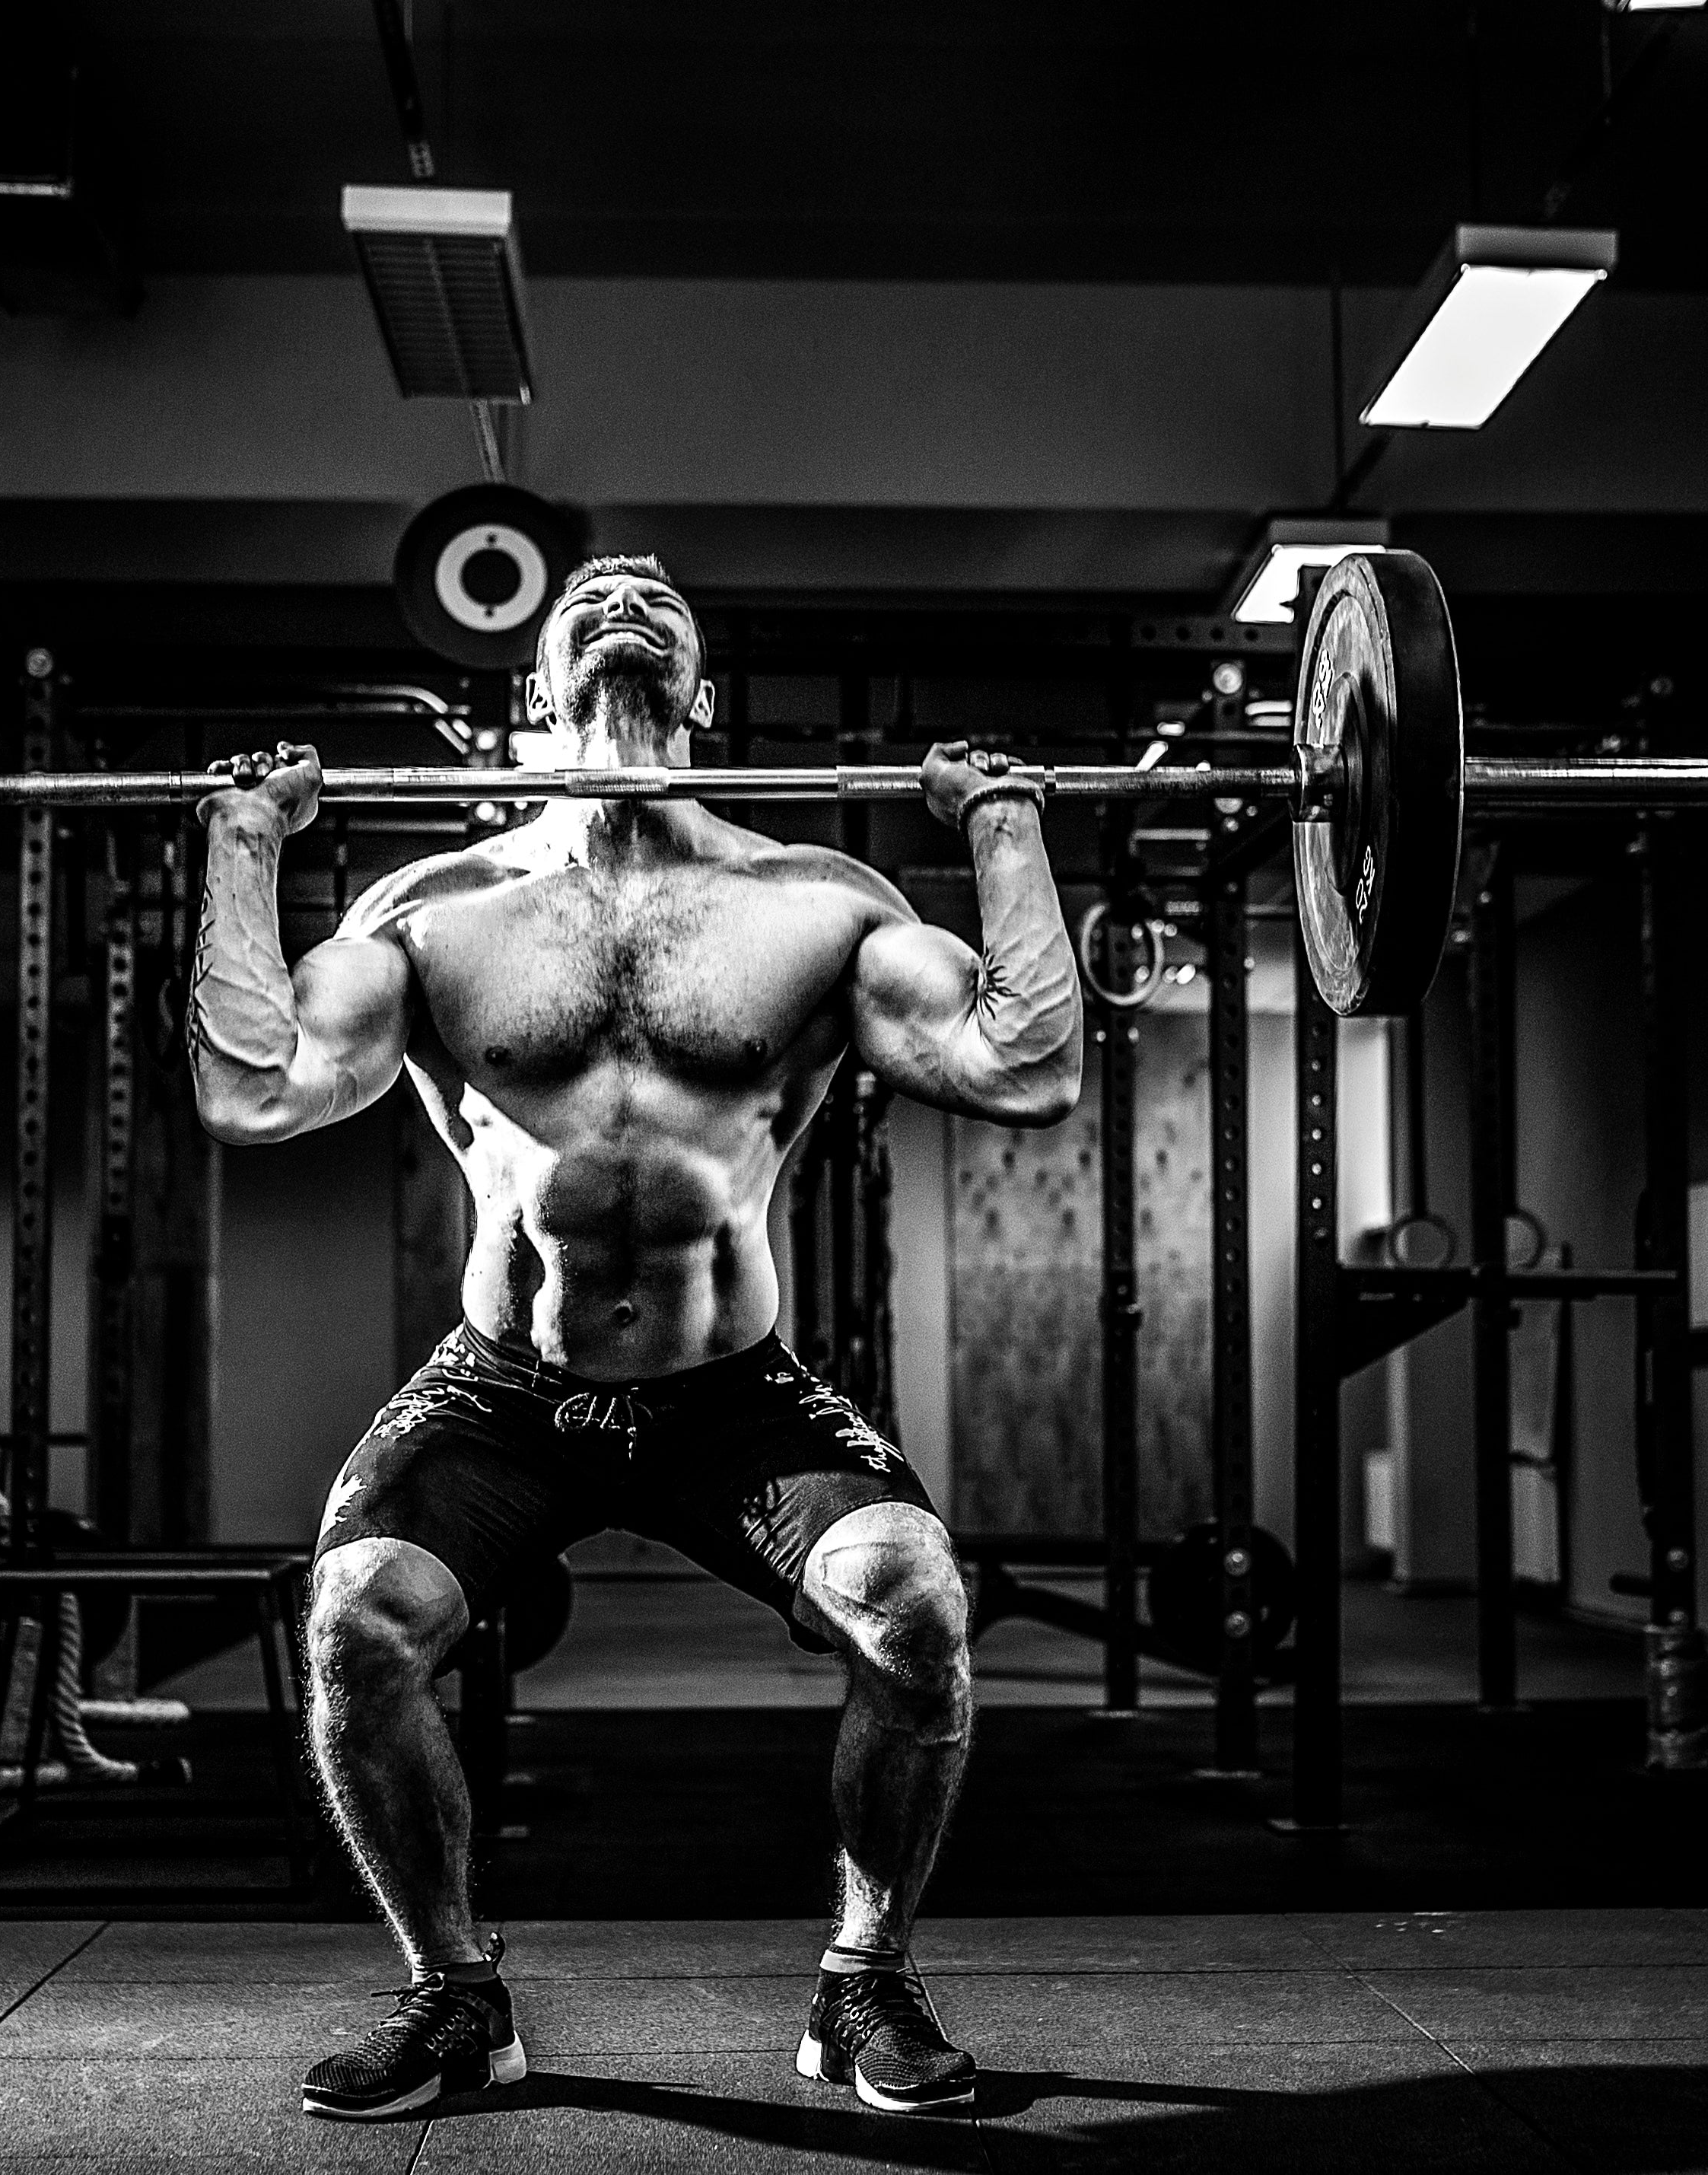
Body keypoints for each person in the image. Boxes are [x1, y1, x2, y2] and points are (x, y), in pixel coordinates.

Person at [189, 556, 1082, 2121]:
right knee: (352, 1624)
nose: (622, 598)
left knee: (918, 1610)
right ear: (534, 690)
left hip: (729, 1396)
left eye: (659, 599)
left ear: (704, 691)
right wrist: (246, 848)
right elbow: (253, 1088)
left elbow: (1024, 1069)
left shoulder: (809, 901)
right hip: (501, 1391)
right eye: (588, 596)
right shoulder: (435, 910)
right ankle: (453, 1996)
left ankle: (861, 1980)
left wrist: (1004, 837)